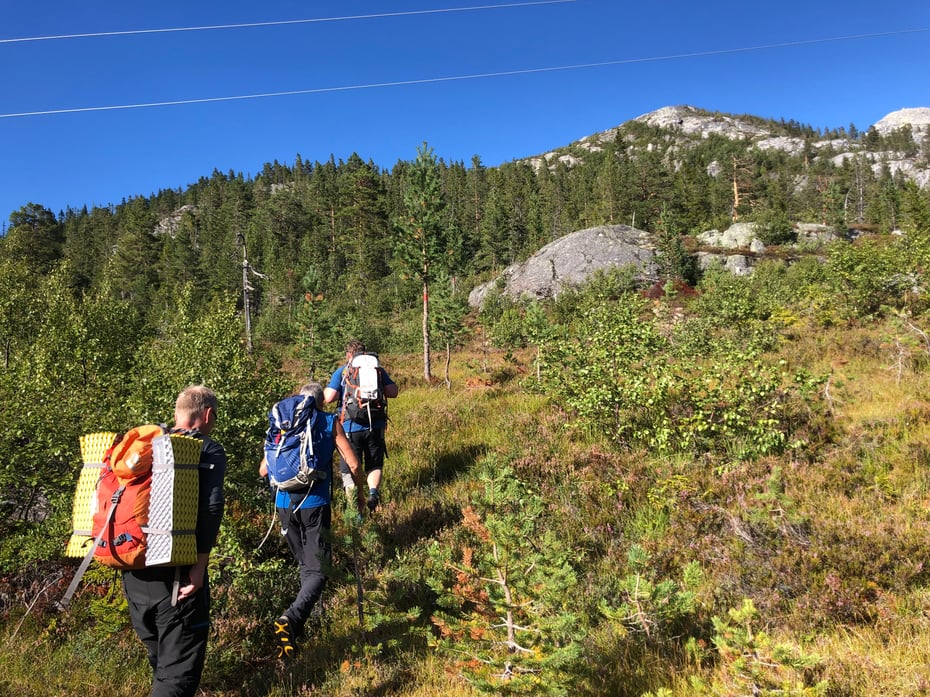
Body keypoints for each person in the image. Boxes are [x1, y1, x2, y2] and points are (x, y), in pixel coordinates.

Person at [121, 385, 226, 697]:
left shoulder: (150, 447)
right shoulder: (206, 449)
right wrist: (199, 565)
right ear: (207, 415)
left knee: (163, 669)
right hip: (177, 577)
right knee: (176, 681)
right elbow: (211, 506)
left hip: (133, 574)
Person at [259, 382, 364, 659]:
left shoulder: (283, 424)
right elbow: (352, 464)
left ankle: (296, 634)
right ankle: (290, 619)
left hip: (283, 507)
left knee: (307, 567)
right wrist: (360, 496)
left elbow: (263, 469)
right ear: (321, 402)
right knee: (318, 571)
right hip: (315, 504)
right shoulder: (328, 421)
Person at [323, 339, 399, 512]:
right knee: (374, 464)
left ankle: (354, 510)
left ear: (349, 354)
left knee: (349, 467)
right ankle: (373, 494)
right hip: (375, 425)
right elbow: (393, 392)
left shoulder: (343, 371)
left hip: (350, 427)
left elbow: (329, 397)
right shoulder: (377, 369)